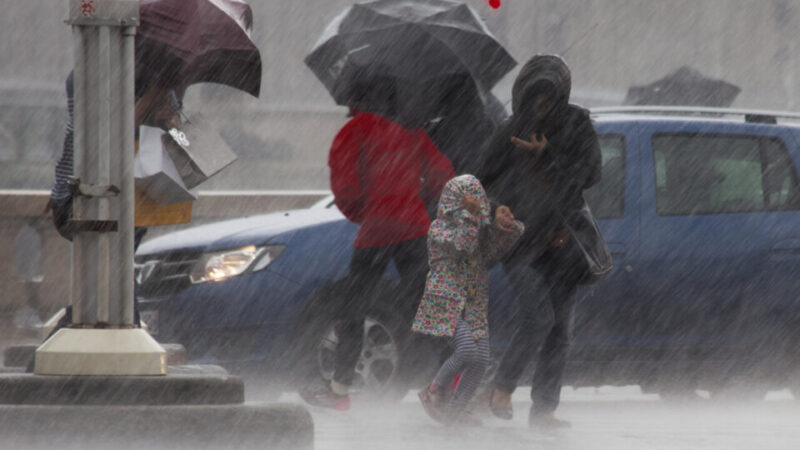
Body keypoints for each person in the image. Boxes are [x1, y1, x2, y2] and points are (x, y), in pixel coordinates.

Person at [299, 86, 456, 411]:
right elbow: (443, 176)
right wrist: (415, 201)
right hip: (414, 229)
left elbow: (345, 190)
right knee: (425, 305)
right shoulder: (413, 131)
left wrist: (369, 212)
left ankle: (339, 391)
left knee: (354, 310)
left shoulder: (353, 132)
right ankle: (453, 380)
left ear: (357, 101)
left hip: (376, 232)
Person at [477, 54, 602, 429]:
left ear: (561, 96)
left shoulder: (577, 125)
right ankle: (500, 387)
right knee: (538, 318)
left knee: (561, 329)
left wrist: (548, 155)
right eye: (535, 98)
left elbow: (591, 174)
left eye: (549, 98)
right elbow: (481, 182)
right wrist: (496, 208)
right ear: (523, 96)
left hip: (563, 241)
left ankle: (544, 409)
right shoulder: (509, 131)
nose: (541, 106)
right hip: (520, 243)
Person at [412, 174, 523, 426]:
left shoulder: (477, 229)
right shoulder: (439, 229)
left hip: (472, 303)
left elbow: (492, 251)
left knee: (481, 359)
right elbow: (461, 244)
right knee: (466, 350)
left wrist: (506, 228)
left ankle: (457, 408)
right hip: (445, 300)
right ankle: (432, 391)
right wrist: (470, 216)